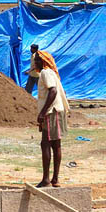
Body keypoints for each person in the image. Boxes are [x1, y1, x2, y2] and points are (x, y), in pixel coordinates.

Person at [24, 44, 68, 187]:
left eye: (36, 60)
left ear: (42, 62)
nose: (34, 63)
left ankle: (46, 179)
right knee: (56, 145)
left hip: (51, 112)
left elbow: (53, 91)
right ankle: (54, 179)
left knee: (46, 144)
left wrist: (42, 113)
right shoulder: (51, 73)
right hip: (57, 111)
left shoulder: (45, 73)